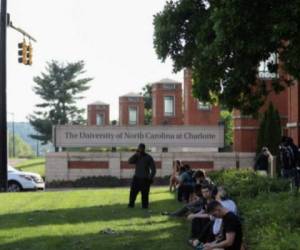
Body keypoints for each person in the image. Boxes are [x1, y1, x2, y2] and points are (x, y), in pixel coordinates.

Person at [128, 143, 156, 209]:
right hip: (136, 178)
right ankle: (131, 205)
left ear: (144, 149)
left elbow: (153, 169)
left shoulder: (148, 157)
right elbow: (129, 161)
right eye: (139, 148)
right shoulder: (137, 156)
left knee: (145, 194)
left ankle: (145, 206)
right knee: (133, 193)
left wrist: (150, 178)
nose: (140, 149)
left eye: (141, 148)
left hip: (145, 179)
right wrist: (135, 154)